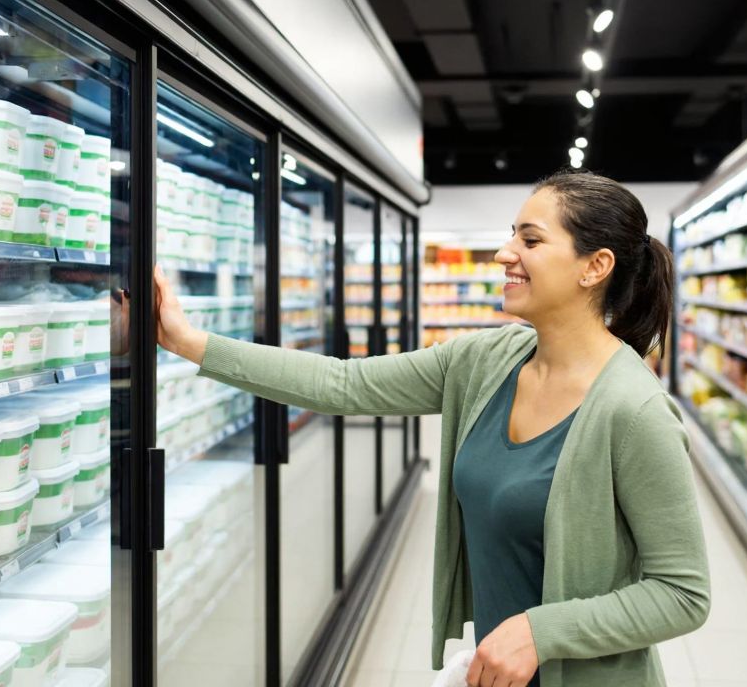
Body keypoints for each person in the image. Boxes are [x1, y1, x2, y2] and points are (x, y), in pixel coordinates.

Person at [153, 171, 710, 687]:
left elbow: (683, 593)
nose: (504, 253)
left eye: (531, 241)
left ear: (595, 267)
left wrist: (543, 632)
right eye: (510, 234)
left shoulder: (633, 410)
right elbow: (342, 384)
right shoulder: (487, 361)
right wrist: (186, 341)